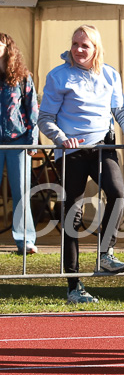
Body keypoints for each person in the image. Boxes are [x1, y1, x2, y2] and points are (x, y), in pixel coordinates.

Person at [38, 25, 124, 304]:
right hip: (71, 152)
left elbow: (120, 109)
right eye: (75, 44)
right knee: (72, 211)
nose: (78, 50)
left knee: (118, 193)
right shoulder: (58, 76)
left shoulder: (110, 74)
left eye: (85, 45)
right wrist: (61, 138)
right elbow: (45, 118)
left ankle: (105, 255)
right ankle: (73, 285)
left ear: (96, 48)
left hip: (102, 147)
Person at [0, 32, 39, 255]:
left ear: (8, 48)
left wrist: (32, 141)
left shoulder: (22, 77)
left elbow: (32, 109)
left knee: (21, 192)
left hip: (19, 141)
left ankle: (25, 240)